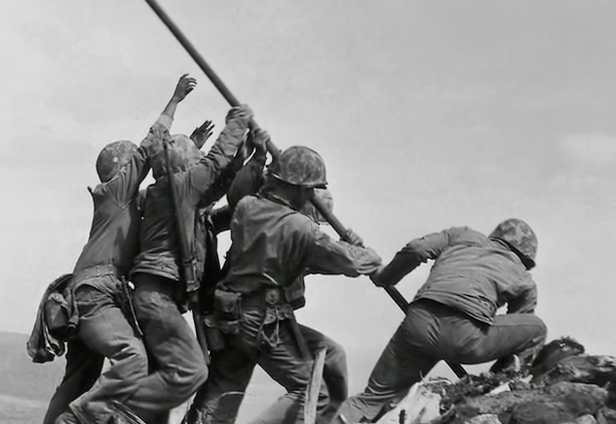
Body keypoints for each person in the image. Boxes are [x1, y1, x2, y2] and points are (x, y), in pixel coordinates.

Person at [186, 145, 383, 424]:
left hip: (230, 317)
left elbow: (309, 259)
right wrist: (366, 253)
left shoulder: (247, 208)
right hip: (262, 323)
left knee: (221, 397)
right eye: (310, 189)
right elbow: (350, 262)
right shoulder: (300, 228)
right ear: (301, 189)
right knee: (312, 393)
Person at [44, 74, 198, 424]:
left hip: (93, 294)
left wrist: (189, 147)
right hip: (96, 294)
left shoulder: (127, 203)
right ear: (120, 168)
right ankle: (82, 419)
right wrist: (174, 102)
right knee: (134, 358)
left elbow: (171, 189)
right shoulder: (114, 192)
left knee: (79, 378)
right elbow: (149, 147)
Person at [338, 219, 547, 423]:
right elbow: (517, 327)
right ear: (526, 258)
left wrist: (386, 276)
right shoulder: (524, 279)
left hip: (418, 324)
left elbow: (417, 248)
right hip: (466, 336)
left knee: (372, 399)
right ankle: (497, 391)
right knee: (536, 328)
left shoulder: (462, 235)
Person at [127, 102, 257, 424]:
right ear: (185, 166)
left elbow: (223, 185)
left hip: (162, 297)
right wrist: (237, 123)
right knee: (193, 369)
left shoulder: (171, 197)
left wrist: (249, 155)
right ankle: (113, 407)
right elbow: (215, 166)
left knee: (166, 382)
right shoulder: (181, 189)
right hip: (158, 297)